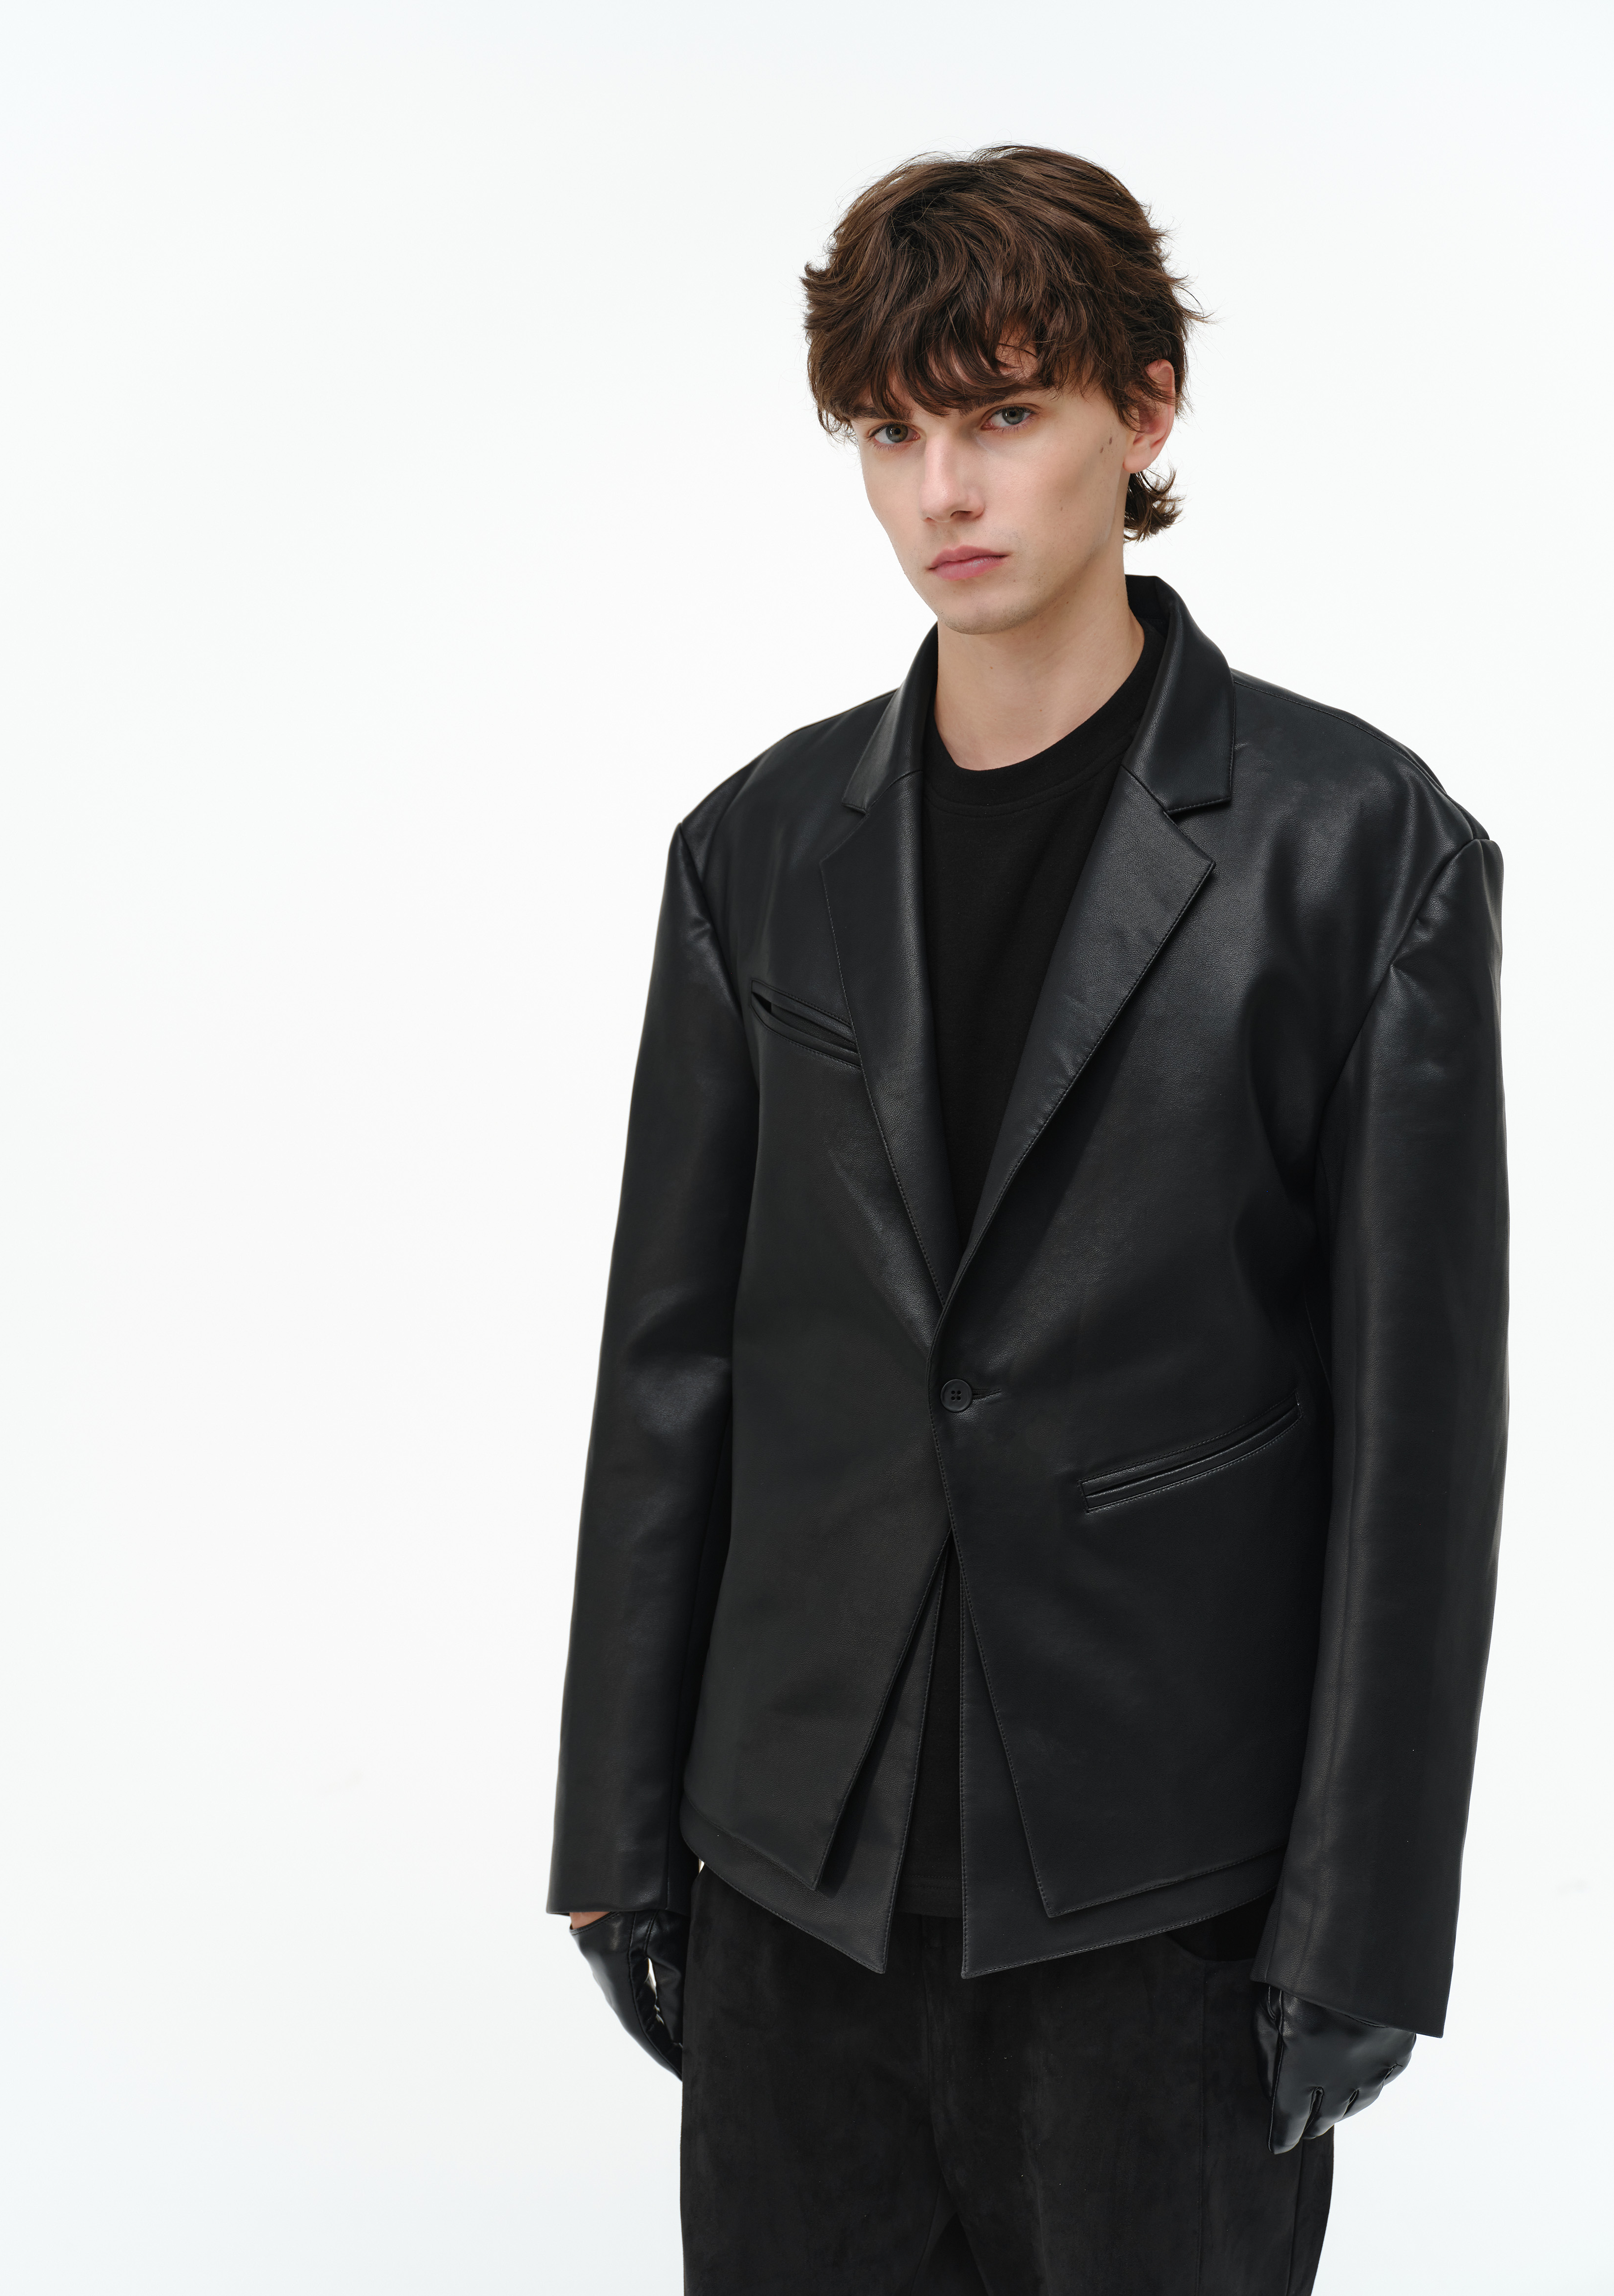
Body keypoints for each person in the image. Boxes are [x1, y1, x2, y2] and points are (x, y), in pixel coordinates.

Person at [548, 145, 1507, 2295]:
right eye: (889, 433)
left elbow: (1416, 1439)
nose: (940, 492)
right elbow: (671, 1361)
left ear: (1143, 409)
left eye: (1000, 414)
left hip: (1162, 1898)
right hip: (791, 1874)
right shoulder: (756, 849)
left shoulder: (1360, 849)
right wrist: (615, 1836)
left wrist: (1366, 1923)